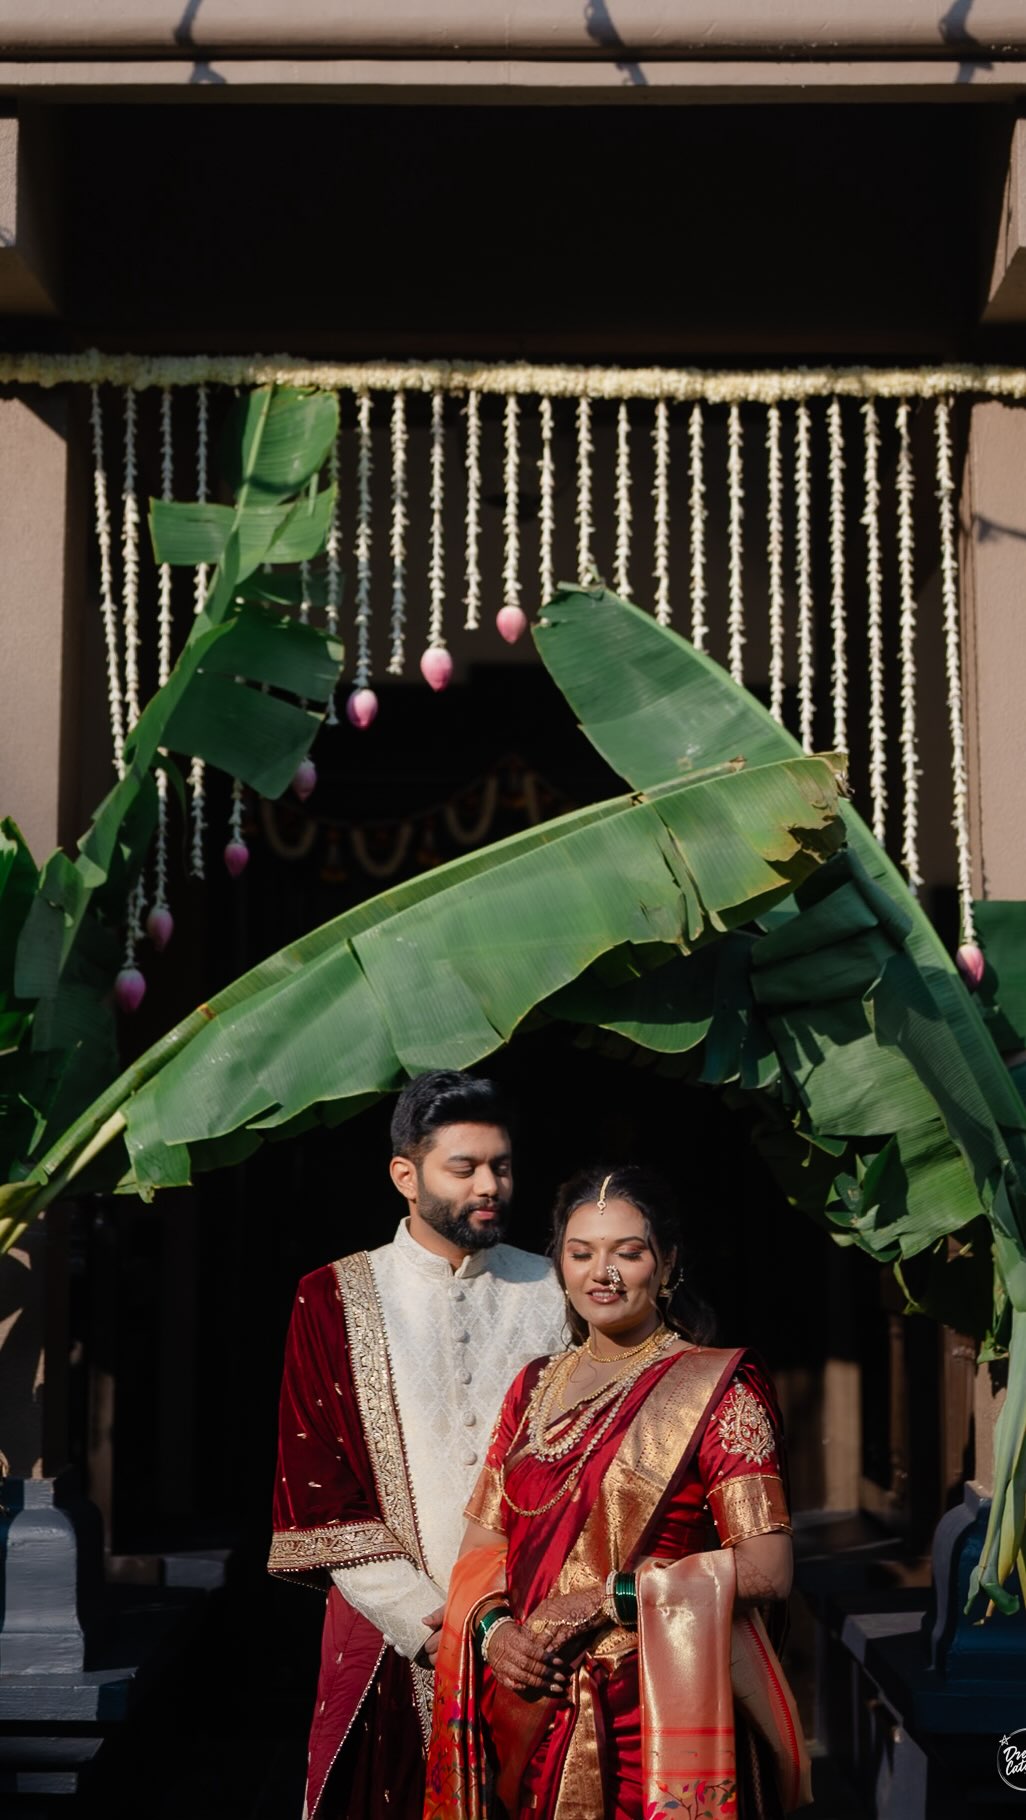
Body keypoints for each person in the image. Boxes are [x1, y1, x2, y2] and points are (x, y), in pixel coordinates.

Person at [425, 1163, 812, 1820]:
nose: (602, 1273)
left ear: (666, 1266)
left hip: (661, 1712)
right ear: (561, 1267)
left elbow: (769, 1571)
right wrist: (494, 1633)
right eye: (581, 1254)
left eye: (627, 1253)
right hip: (535, 1705)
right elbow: (481, 1549)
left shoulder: (716, 1391)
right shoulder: (532, 1389)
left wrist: (606, 1598)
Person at [268, 1070, 566, 1820]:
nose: (489, 1184)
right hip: (391, 1645)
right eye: (462, 1168)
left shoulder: (556, 1289)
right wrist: (445, 1632)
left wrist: (527, 1633)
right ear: (406, 1174)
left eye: (499, 1165)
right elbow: (322, 1496)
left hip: (546, 1648)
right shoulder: (333, 1296)